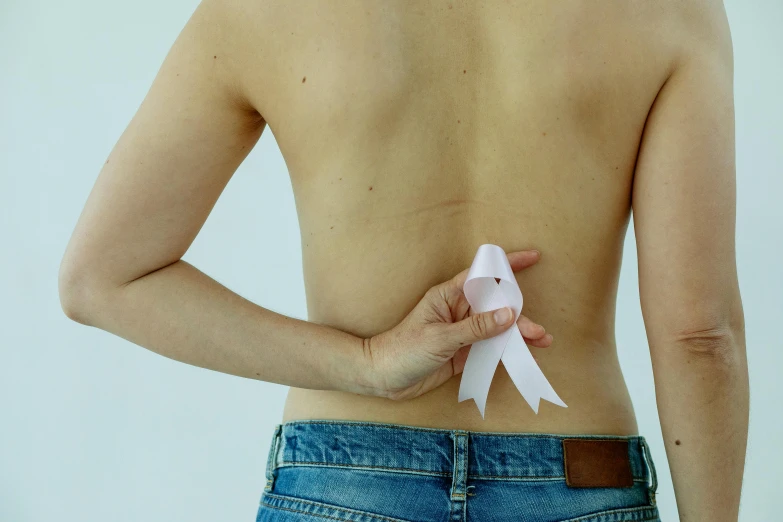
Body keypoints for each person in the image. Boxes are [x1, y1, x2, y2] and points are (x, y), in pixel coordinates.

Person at [58, 0, 748, 520]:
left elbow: (103, 277)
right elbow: (699, 335)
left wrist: (364, 362)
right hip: (580, 482)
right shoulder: (669, 11)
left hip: (340, 477)